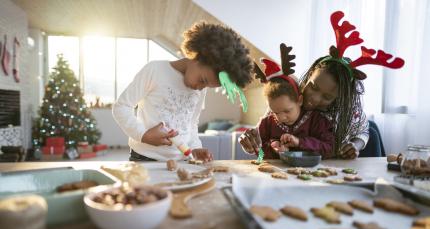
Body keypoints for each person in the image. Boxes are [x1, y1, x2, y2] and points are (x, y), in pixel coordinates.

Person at [240, 11, 404, 159]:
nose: (313, 98)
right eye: (313, 86)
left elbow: (363, 131)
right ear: (310, 74)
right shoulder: (291, 91)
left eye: (327, 97)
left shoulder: (350, 107)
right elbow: (271, 117)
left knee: (372, 129)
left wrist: (355, 145)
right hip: (310, 160)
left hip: (343, 155)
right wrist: (252, 138)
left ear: (339, 98)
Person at [113, 22, 253, 162]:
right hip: (144, 158)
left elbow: (191, 124)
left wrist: (195, 147)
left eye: (207, 86)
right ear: (198, 56)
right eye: (203, 80)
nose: (200, 88)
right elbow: (121, 107)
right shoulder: (155, 70)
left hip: (182, 160)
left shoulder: (199, 90)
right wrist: (143, 135)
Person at [246, 44, 334, 159]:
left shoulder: (317, 121)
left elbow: (330, 148)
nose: (281, 118)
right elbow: (259, 151)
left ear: (300, 100)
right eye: (275, 112)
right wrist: (273, 148)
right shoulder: (267, 123)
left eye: (287, 111)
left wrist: (299, 142)